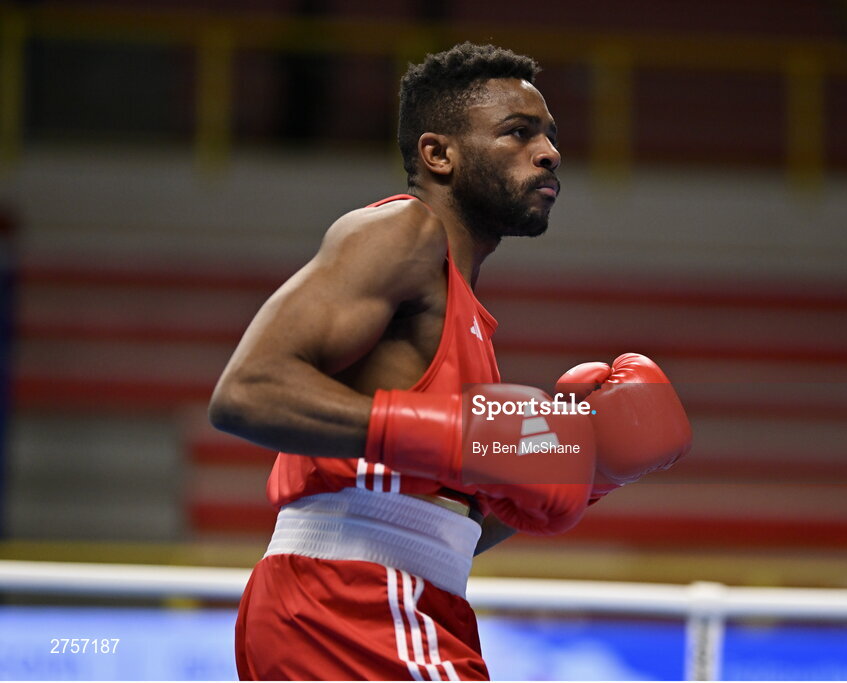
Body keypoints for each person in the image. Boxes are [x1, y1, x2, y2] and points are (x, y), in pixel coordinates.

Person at [209, 42, 691, 681]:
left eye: (548, 134)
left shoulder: (466, 318)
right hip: (351, 607)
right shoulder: (403, 234)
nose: (548, 152)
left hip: (390, 601)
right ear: (438, 154)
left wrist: (590, 470)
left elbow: (434, 529)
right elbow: (247, 391)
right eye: (518, 133)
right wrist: (451, 434)